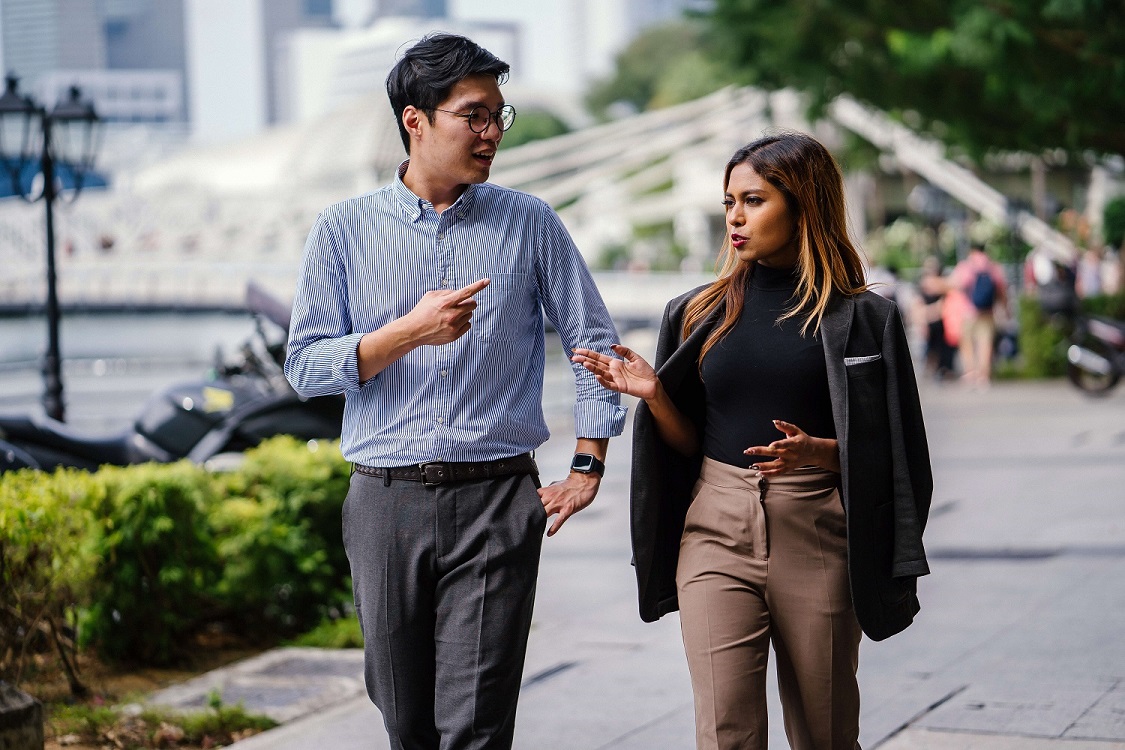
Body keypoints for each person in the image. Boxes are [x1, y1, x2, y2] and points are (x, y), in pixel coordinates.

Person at [284, 33, 626, 750]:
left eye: (499, 115)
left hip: (497, 500)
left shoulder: (529, 222)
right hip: (385, 501)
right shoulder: (340, 231)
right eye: (473, 115)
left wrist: (588, 463)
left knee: (475, 722)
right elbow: (307, 368)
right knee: (405, 719)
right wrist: (405, 332)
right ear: (415, 120)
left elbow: (592, 343)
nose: (492, 132)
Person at [573, 132, 932, 750]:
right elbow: (687, 445)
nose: (735, 217)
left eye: (754, 201)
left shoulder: (863, 318)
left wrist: (818, 454)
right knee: (725, 733)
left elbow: (899, 453)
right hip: (715, 529)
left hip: (816, 528)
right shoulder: (697, 312)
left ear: (804, 205)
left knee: (824, 731)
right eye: (729, 202)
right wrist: (654, 395)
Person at [950, 244, 1008, 386]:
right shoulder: (992, 267)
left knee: (967, 343)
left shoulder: (966, 266)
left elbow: (957, 284)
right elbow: (1001, 289)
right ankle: (983, 375)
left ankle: (970, 373)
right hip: (987, 312)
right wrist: (1005, 308)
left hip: (968, 311)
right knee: (985, 343)